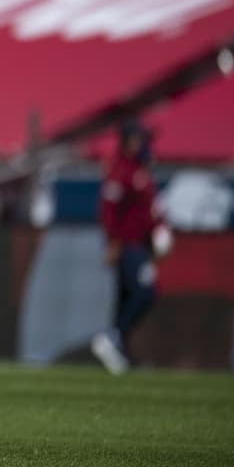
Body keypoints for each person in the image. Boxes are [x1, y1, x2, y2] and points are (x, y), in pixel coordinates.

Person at [91, 120, 169, 375]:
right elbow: (109, 210)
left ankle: (120, 348)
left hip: (140, 243)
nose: (142, 144)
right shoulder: (121, 170)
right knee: (144, 292)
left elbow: (148, 208)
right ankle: (113, 337)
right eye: (137, 139)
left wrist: (158, 229)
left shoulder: (139, 169)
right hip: (127, 244)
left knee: (125, 296)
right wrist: (113, 241)